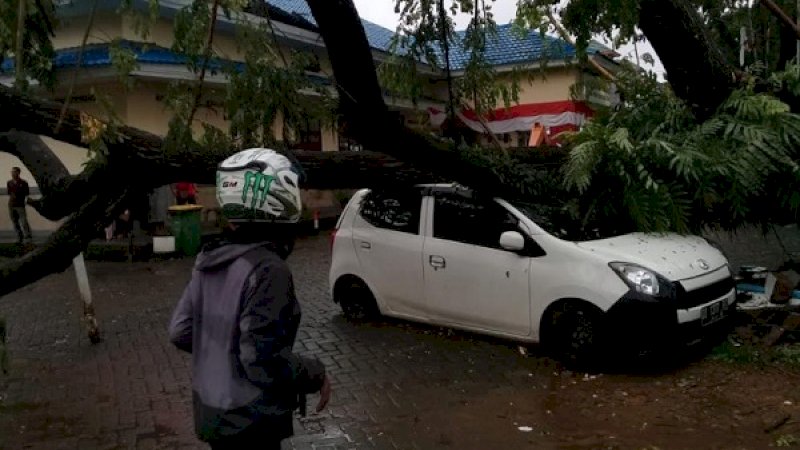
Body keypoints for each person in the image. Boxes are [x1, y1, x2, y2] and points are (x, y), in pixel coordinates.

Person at [168, 148, 330, 450]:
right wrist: (314, 373)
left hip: (212, 413)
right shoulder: (268, 269)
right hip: (251, 422)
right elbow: (259, 358)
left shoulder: (209, 259)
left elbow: (180, 331)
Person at [7, 167, 32, 244]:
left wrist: (24, 202)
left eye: (14, 172)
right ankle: (19, 237)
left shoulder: (24, 183)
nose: (12, 173)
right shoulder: (9, 182)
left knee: (24, 221)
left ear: (18, 173)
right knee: (15, 222)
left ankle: (28, 237)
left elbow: (27, 194)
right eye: (12, 172)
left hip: (20, 205)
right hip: (11, 205)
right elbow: (9, 193)